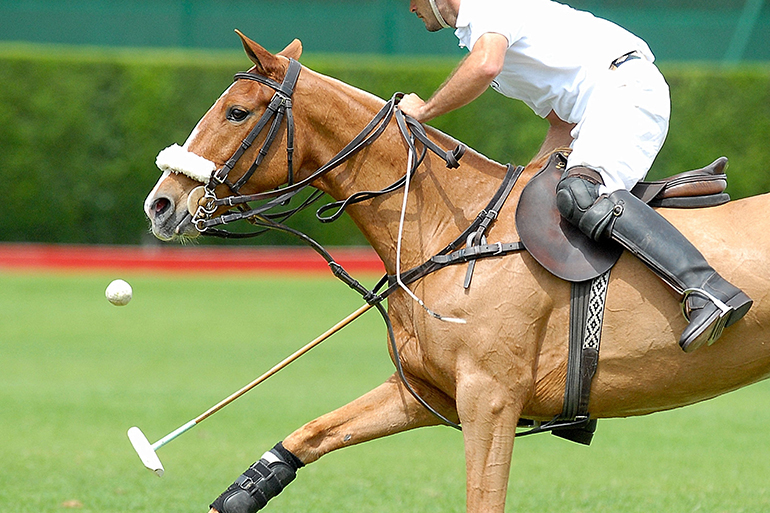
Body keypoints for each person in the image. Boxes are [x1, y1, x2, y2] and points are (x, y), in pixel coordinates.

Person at [400, 0, 751, 352]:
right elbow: (562, 122)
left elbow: (485, 65)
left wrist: (425, 110)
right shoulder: (480, 32)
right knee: (545, 198)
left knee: (582, 194)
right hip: (602, 105)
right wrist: (527, 182)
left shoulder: (488, 7)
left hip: (624, 90)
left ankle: (707, 289)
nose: (410, 8)